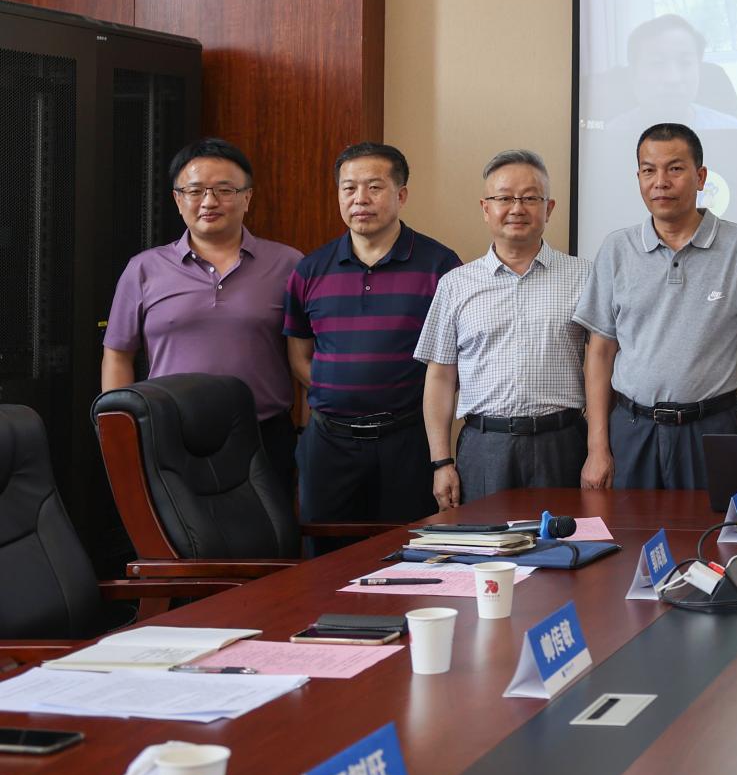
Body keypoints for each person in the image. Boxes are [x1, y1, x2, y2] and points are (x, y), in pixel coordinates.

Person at [102, 138, 304, 497]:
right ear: (178, 199)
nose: (209, 202)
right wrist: (121, 433)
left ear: (247, 197)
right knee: (176, 532)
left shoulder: (288, 264)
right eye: (195, 191)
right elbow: (118, 354)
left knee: (268, 531)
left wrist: (306, 429)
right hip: (168, 434)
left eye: (224, 190)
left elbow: (304, 356)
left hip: (264, 435)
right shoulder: (144, 269)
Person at [574, 123, 737, 490]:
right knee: (628, 527)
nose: (660, 182)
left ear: (701, 177)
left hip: (714, 429)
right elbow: (599, 354)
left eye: (675, 169)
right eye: (649, 170)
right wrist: (596, 447)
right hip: (632, 430)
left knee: (713, 527)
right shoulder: (617, 249)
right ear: (639, 178)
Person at [285, 143, 460, 526]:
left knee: (409, 549)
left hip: (408, 440)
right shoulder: (310, 270)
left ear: (401, 195)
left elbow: (452, 362)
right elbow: (299, 355)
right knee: (327, 555)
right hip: (329, 443)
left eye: (374, 187)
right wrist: (344, 393)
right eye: (349, 188)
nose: (360, 199)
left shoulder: (440, 266)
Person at [415, 150, 591, 508]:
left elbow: (605, 365)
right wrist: (441, 462)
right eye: (504, 198)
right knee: (487, 541)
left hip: (563, 443)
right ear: (485, 208)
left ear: (549, 208)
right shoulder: (455, 285)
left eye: (530, 198)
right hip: (485, 445)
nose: (517, 208)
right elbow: (440, 378)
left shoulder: (584, 276)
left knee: (566, 540)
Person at [603, 15, 737, 134]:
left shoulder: (731, 131)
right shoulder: (610, 136)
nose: (672, 79)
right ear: (633, 74)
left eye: (685, 63)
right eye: (657, 63)